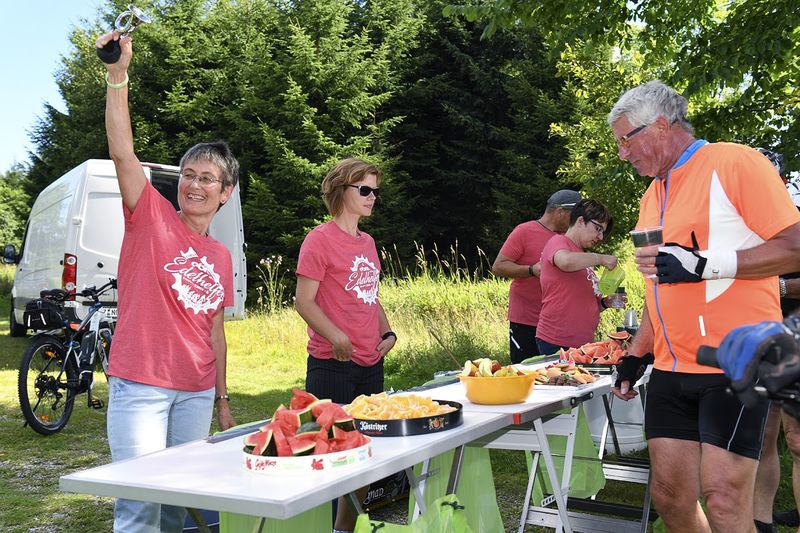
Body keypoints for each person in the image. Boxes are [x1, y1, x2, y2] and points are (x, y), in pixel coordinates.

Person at [608, 80, 800, 533]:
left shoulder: (735, 163)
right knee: (670, 497)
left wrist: (705, 264)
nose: (621, 153)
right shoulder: (652, 194)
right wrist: (637, 353)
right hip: (672, 369)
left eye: (625, 140)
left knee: (725, 500)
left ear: (660, 126)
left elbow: (794, 246)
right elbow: (659, 288)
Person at [96, 31, 238, 532]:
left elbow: (215, 331)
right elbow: (122, 153)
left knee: (181, 505)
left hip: (196, 392)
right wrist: (118, 76)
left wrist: (221, 399)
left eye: (206, 178)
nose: (194, 184)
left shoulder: (221, 255)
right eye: (189, 175)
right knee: (140, 505)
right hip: (142, 385)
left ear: (225, 192)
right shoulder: (151, 216)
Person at [294, 158, 396, 533]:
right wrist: (336, 335)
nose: (372, 197)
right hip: (332, 363)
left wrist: (388, 333)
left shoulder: (367, 242)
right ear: (341, 191)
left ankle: (344, 529)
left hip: (371, 362)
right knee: (334, 454)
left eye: (375, 191)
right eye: (365, 189)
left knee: (366, 453)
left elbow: (370, 294)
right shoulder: (318, 240)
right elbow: (303, 301)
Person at [491, 189, 582, 363]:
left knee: (559, 373)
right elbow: (498, 266)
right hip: (527, 321)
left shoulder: (569, 238)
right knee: (526, 370)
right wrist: (531, 270)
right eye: (576, 216)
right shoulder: (524, 231)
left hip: (558, 324)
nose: (578, 222)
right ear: (560, 212)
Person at [535, 198, 620, 355]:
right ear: (580, 221)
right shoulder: (558, 241)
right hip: (557, 341)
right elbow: (565, 261)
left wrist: (605, 303)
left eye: (602, 232)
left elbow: (584, 304)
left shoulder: (581, 256)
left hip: (582, 342)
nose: (600, 237)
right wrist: (601, 258)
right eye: (598, 228)